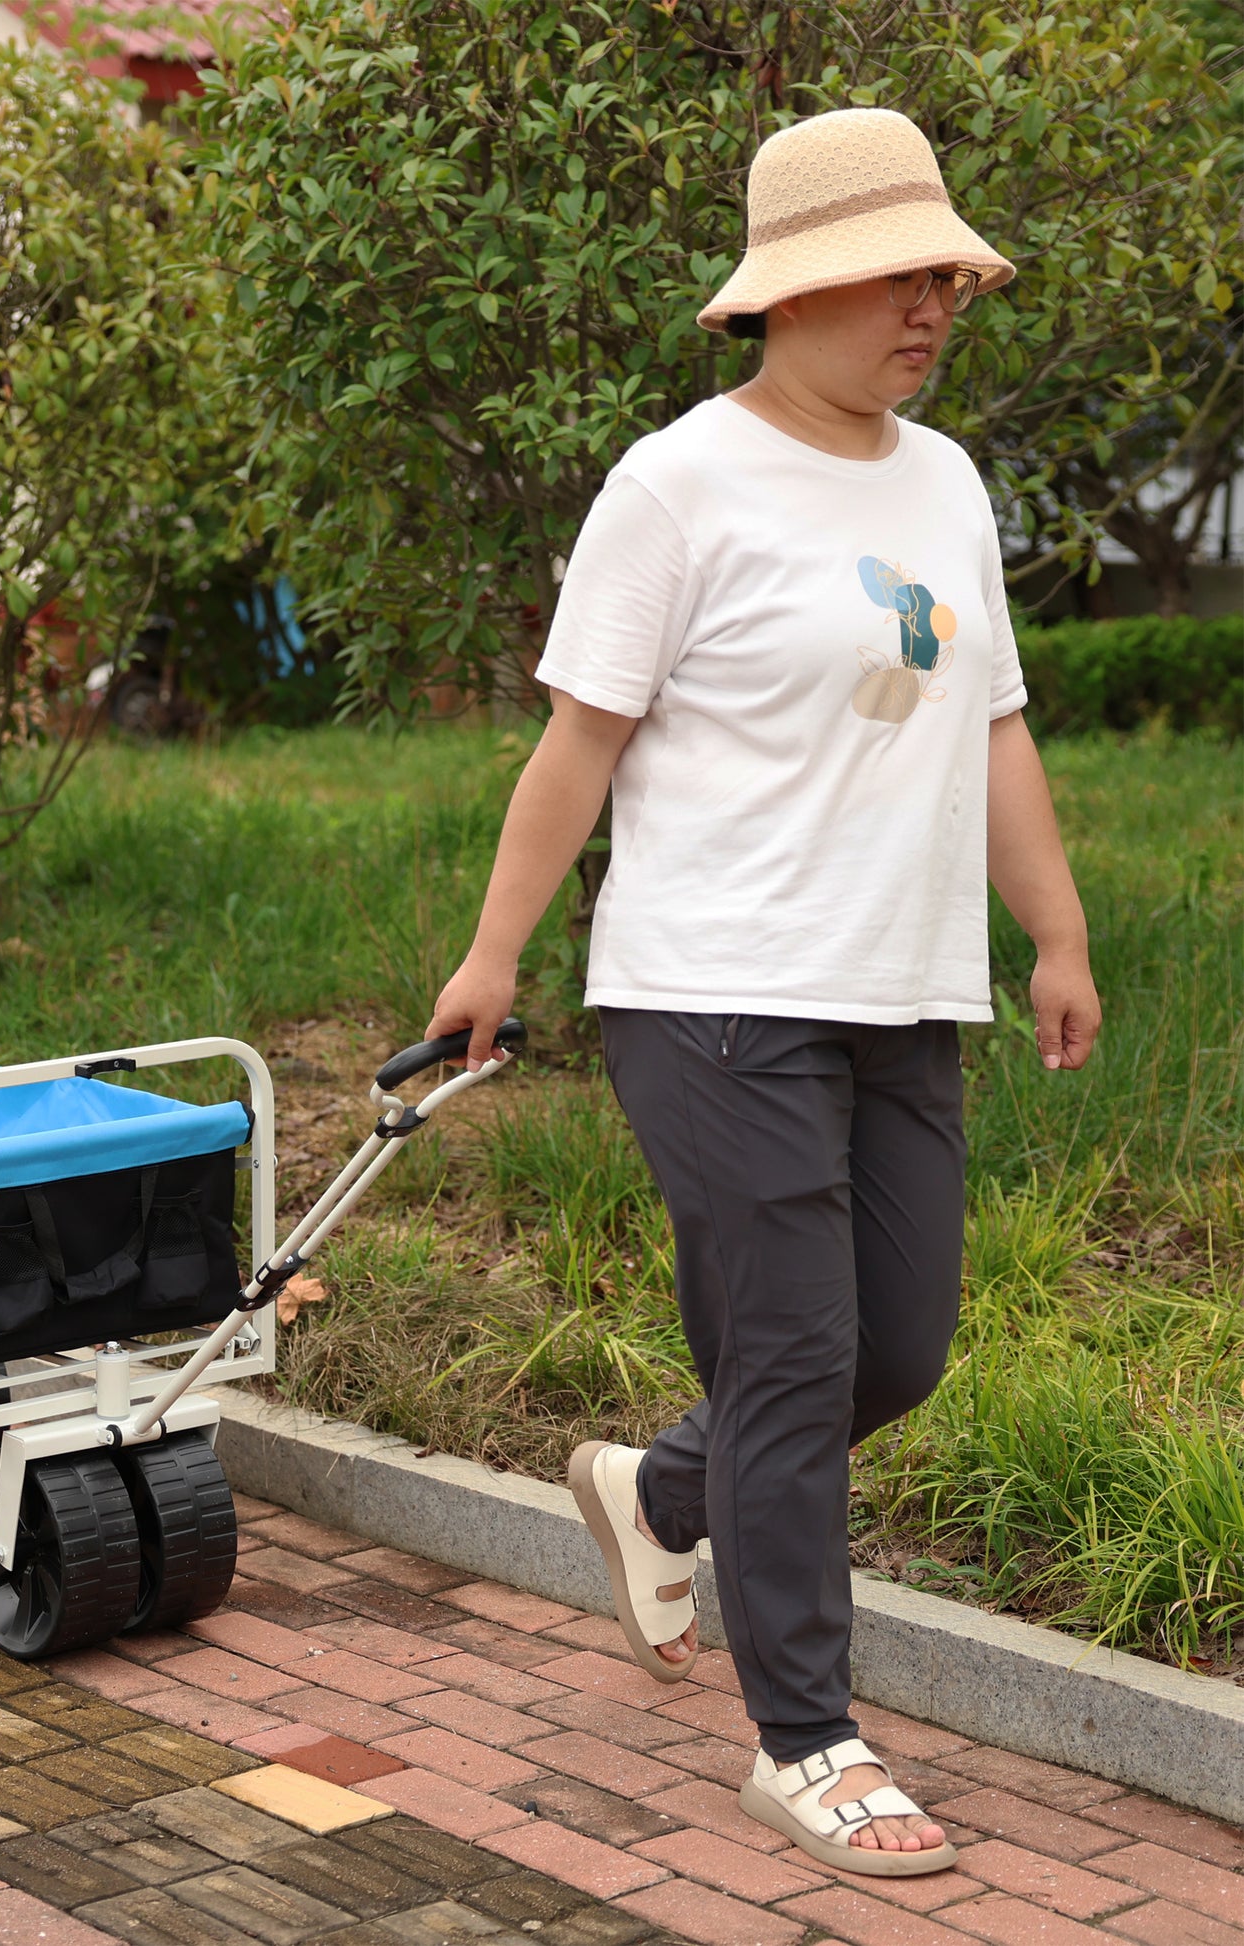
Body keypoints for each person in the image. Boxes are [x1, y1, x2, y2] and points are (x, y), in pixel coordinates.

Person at [427, 107, 1101, 1879]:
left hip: (900, 986)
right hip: (711, 991)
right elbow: (578, 747)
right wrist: (493, 956)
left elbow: (994, 727)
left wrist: (1053, 933)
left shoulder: (943, 481)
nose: (930, 306)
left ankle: (660, 1491)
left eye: (944, 276)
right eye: (895, 277)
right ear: (787, 293)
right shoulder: (677, 485)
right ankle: (803, 1736)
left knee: (898, 1342)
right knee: (794, 1353)